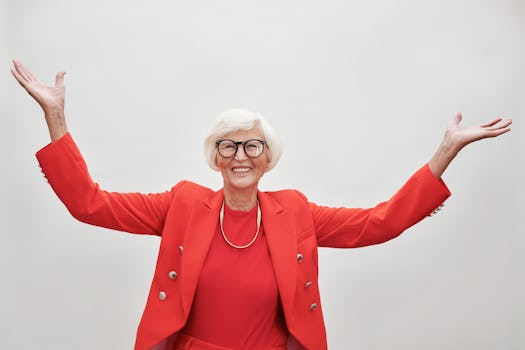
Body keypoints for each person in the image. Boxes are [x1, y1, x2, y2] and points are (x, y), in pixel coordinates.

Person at [10, 59, 512, 350]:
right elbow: (89, 204)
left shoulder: (295, 212)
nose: (241, 155)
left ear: (268, 158)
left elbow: (378, 223)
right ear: (215, 157)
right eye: (228, 145)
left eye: (252, 145)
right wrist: (56, 116)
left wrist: (445, 151)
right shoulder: (182, 205)